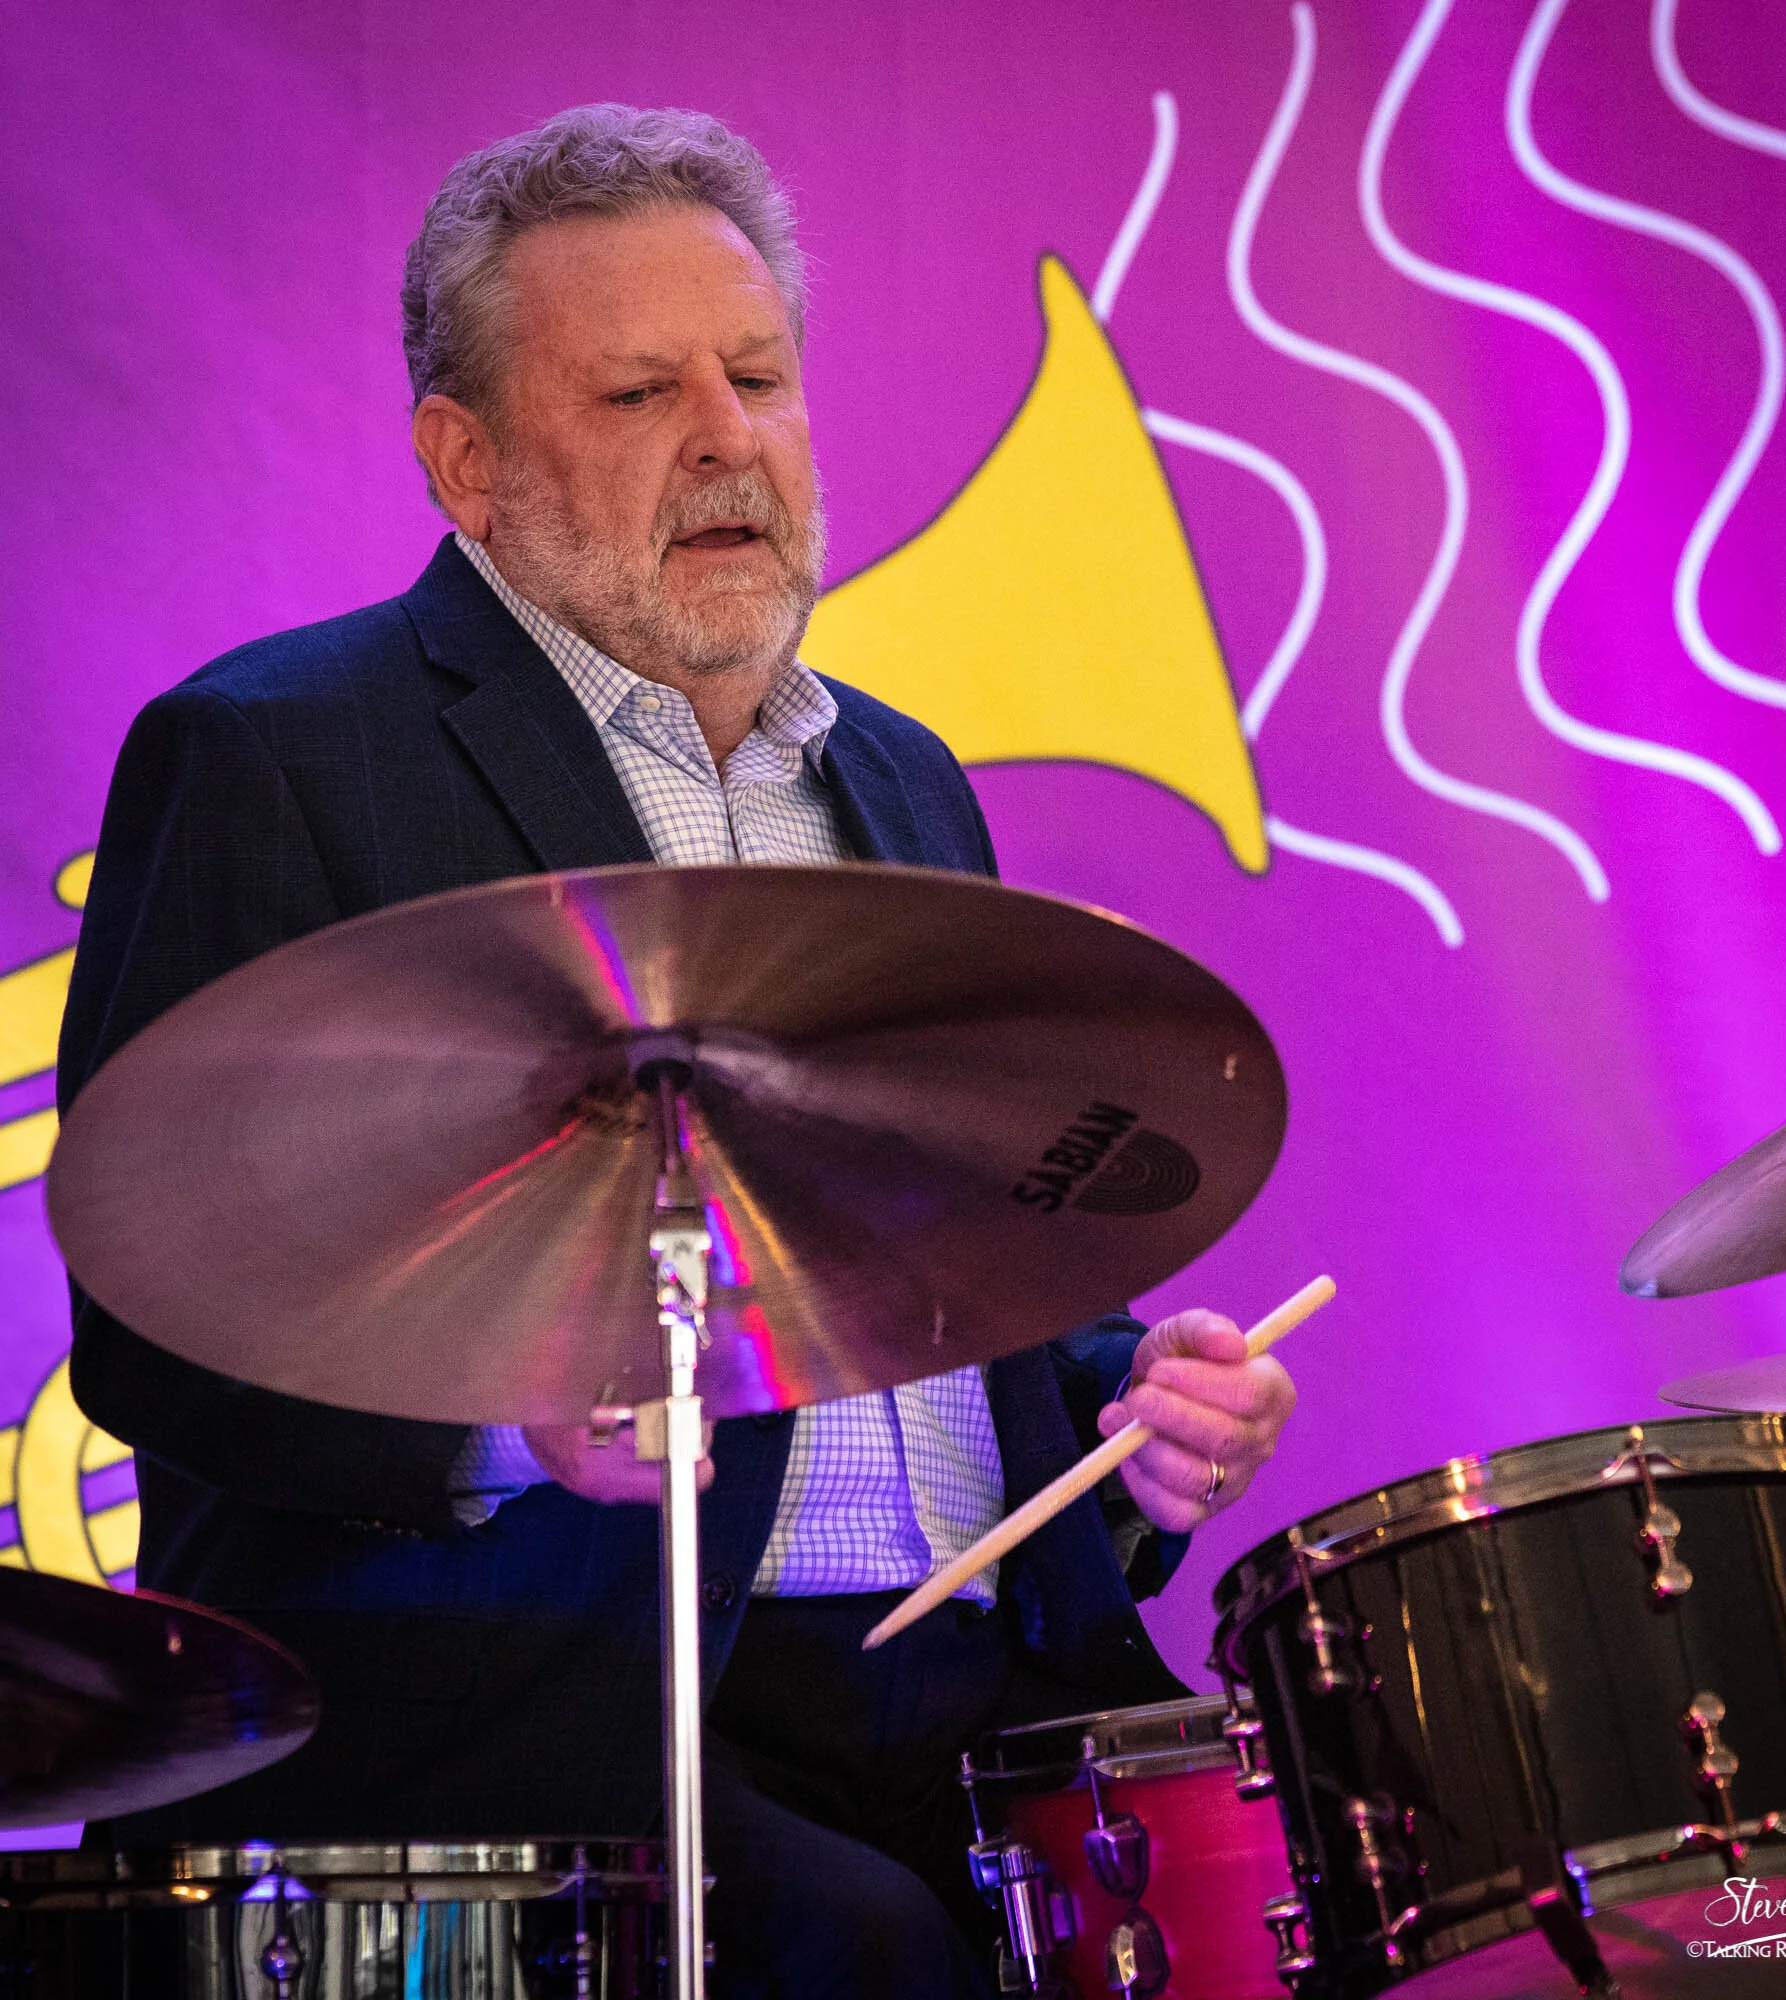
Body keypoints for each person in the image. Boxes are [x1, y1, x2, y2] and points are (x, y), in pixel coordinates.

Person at [57, 105, 1296, 1995]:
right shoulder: (274, 753)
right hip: (554, 1717)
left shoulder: (900, 777)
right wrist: (504, 1427)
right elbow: (155, 1316)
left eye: (759, 377)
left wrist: (1122, 1414)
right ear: (465, 463)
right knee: (876, 1948)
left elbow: (926, 1274)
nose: (729, 439)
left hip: (977, 1691)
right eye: (642, 393)